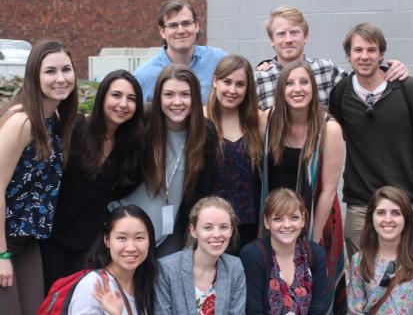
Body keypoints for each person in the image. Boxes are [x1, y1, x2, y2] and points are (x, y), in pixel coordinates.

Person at [329, 22, 413, 260]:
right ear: (348, 55)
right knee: (363, 278)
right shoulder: (341, 93)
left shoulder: (408, 89)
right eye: (358, 50)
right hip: (360, 204)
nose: (364, 56)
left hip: (404, 202)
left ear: (382, 53)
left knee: (411, 275)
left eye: (371, 50)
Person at [39, 70, 145, 291]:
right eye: (116, 95)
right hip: (51, 239)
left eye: (131, 98)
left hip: (89, 245)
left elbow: (123, 188)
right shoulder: (74, 128)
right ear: (103, 97)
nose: (123, 104)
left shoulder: (130, 147)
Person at [259, 61, 345, 314]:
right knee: (274, 289)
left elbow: (329, 190)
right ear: (281, 90)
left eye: (304, 82)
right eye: (290, 83)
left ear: (314, 88)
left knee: (314, 291)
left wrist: (312, 240)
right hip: (275, 220)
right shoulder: (269, 119)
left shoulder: (329, 128)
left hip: (317, 217)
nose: (297, 89)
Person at [0, 39, 78, 314]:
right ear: (35, 75)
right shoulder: (22, 122)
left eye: (66, 70)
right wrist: (1, 255)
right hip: (3, 241)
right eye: (50, 71)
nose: (61, 78)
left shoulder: (54, 117)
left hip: (27, 240)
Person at [113, 64, 216, 257]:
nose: (177, 102)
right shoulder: (141, 123)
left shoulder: (205, 134)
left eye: (185, 94)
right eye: (169, 94)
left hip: (170, 234)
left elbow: (203, 190)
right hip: (125, 228)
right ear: (158, 97)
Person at [255, 5, 408, 110]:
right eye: (281, 34)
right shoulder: (259, 79)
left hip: (323, 156)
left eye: (294, 32)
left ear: (306, 36)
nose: (288, 39)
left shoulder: (325, 70)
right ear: (271, 40)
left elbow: (362, 80)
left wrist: (387, 70)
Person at [348, 186, 413, 314]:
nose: (388, 220)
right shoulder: (359, 260)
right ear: (372, 218)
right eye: (381, 212)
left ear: (406, 219)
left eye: (396, 213)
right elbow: (355, 310)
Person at [205, 54, 262, 250]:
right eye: (226, 82)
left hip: (249, 226)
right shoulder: (200, 119)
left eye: (240, 84)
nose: (232, 90)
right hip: (210, 227)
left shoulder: (258, 121)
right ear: (215, 81)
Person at [240, 188, 328, 314]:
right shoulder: (253, 254)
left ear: (303, 219)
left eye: (294, 218)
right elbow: (253, 309)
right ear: (266, 222)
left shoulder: (315, 253)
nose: (287, 225)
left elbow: (318, 307)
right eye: (278, 219)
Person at [154, 196, 246, 315]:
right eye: (208, 227)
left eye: (224, 227)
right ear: (193, 231)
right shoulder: (166, 269)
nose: (217, 234)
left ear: (231, 230)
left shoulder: (235, 267)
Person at [134, 0, 227, 104]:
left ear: (196, 26)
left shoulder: (219, 61)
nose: (181, 30)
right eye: (173, 25)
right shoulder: (143, 77)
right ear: (162, 32)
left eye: (186, 23)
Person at [67, 205, 156, 315]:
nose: (131, 248)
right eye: (121, 238)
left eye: (139, 238)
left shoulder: (147, 284)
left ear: (149, 240)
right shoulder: (93, 286)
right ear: (107, 240)